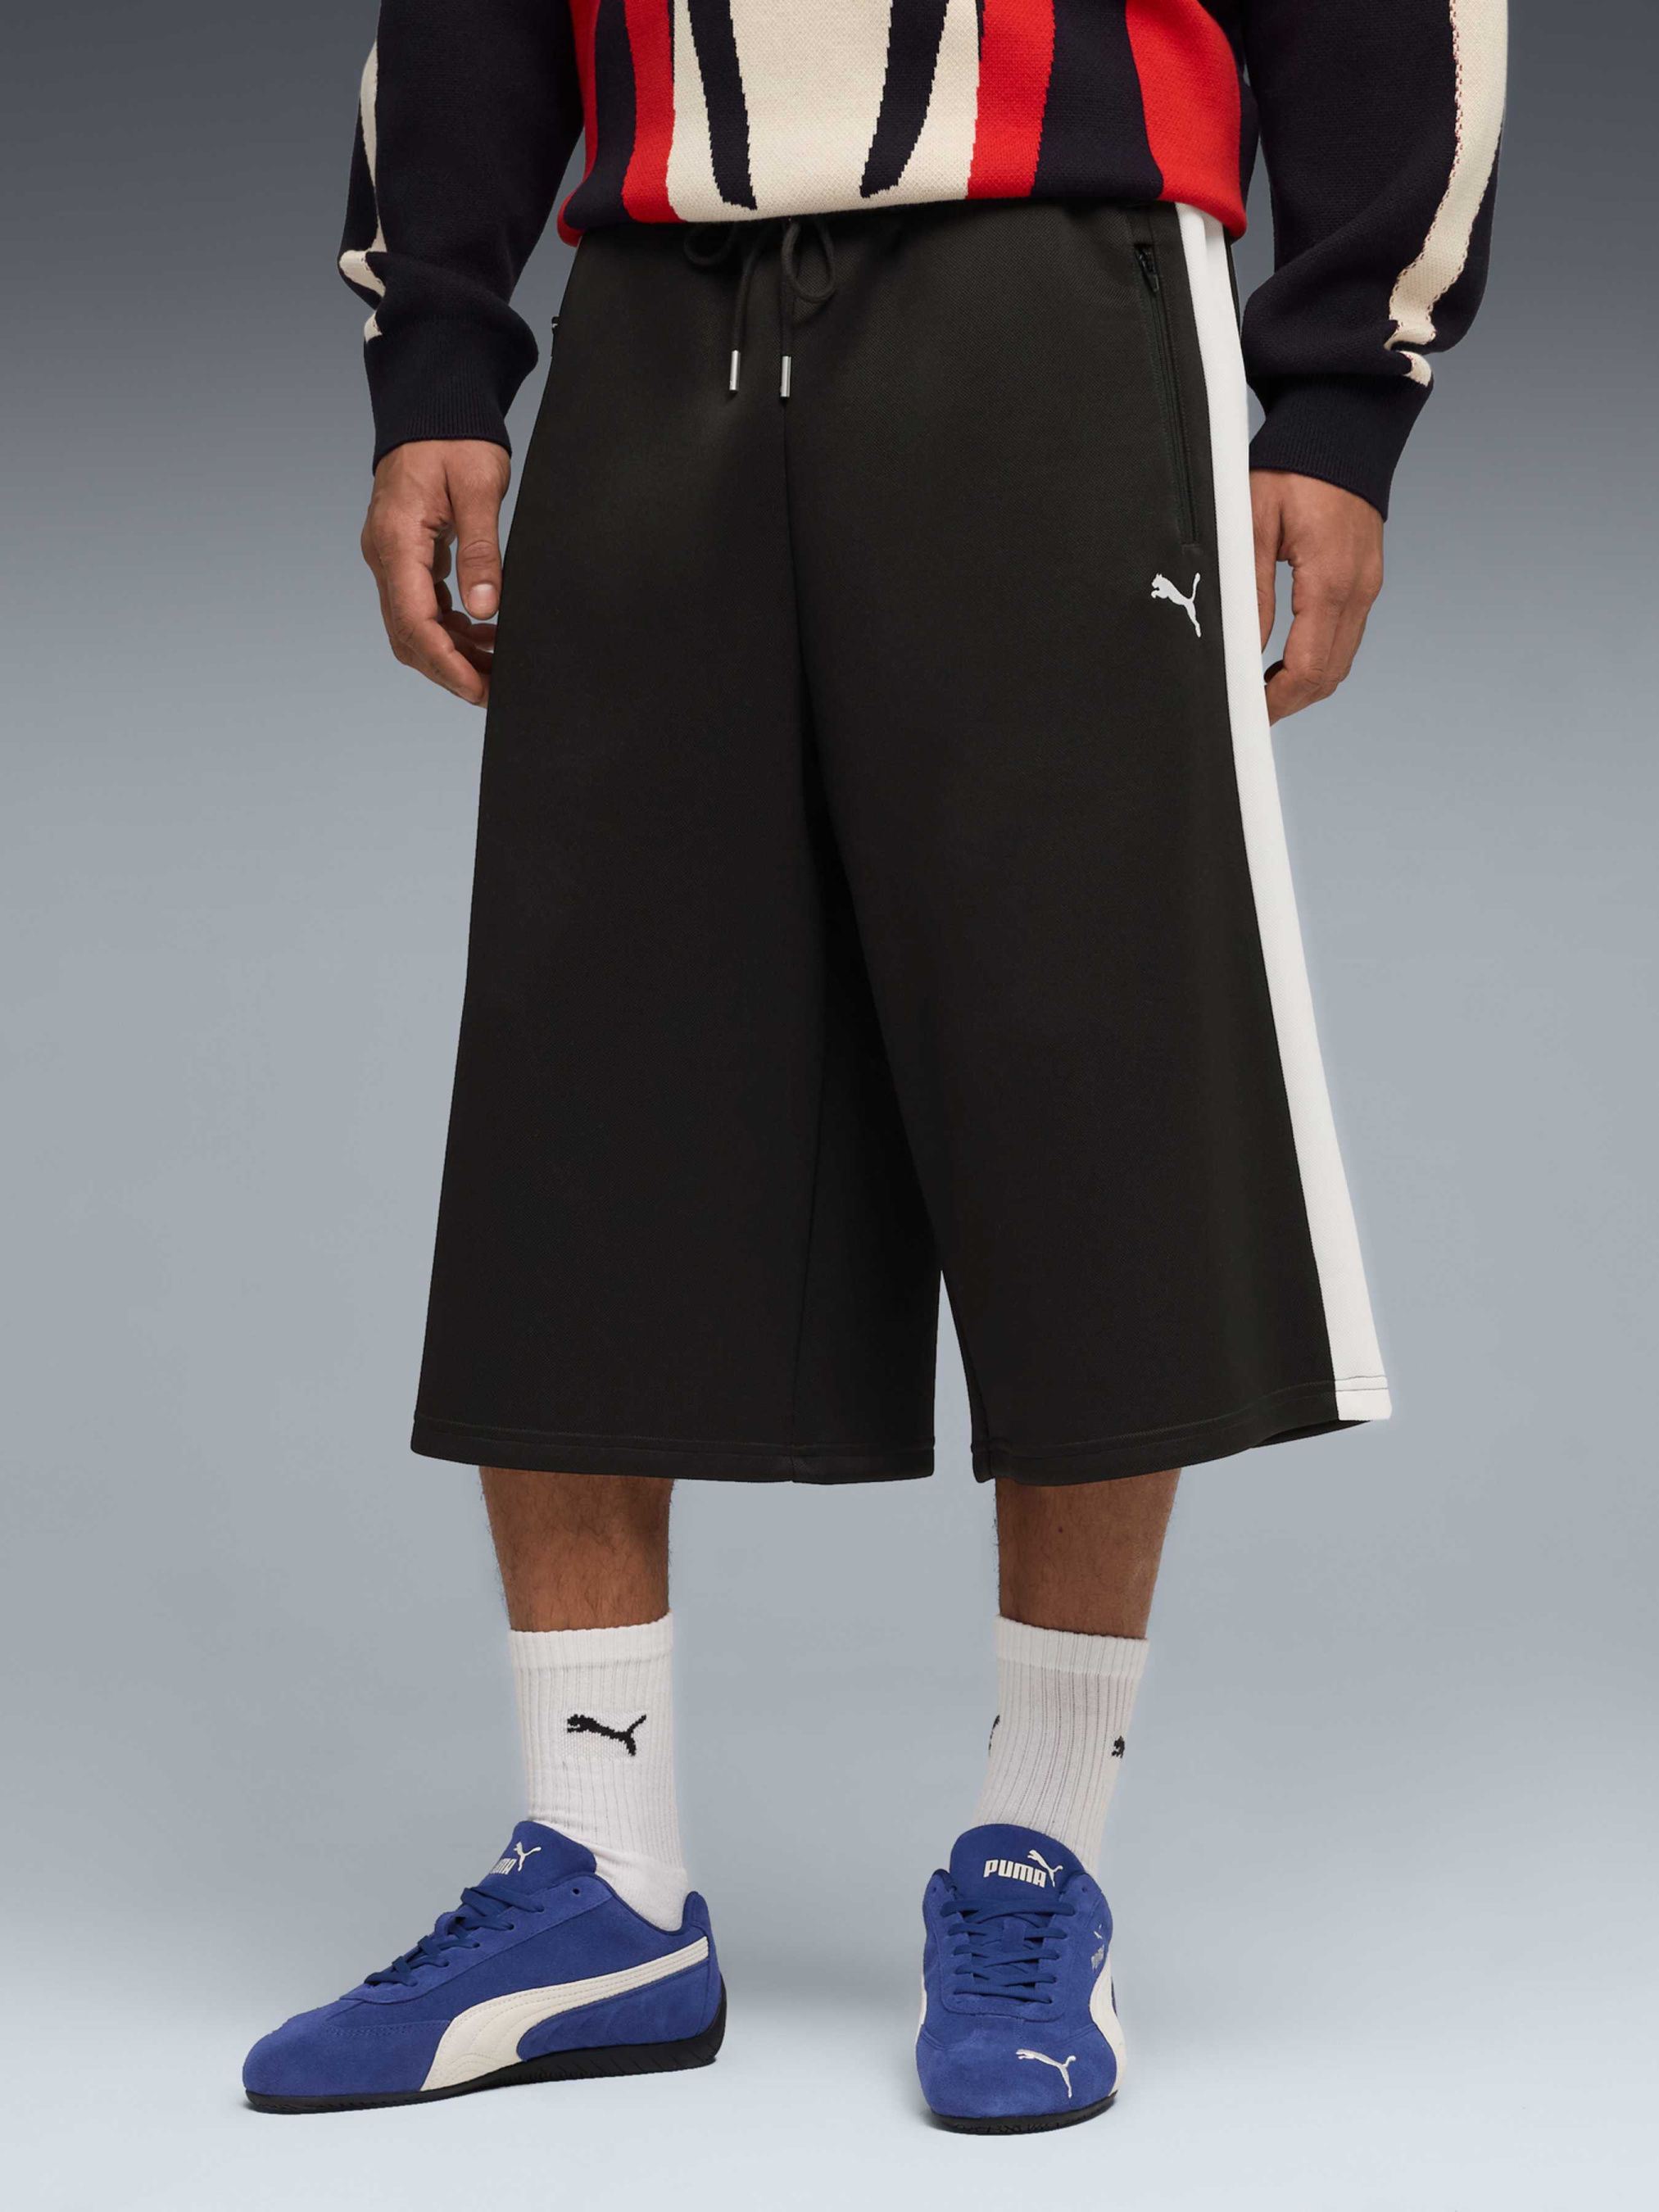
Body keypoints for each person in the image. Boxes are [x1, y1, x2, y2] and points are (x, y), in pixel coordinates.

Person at [243, 0, 1504, 2132]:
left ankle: (1039, 1849)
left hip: (1057, 270)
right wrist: (437, 347)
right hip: (660, 285)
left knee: (1080, 1053)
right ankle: (600, 1870)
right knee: (591, 1052)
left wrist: (1339, 391)